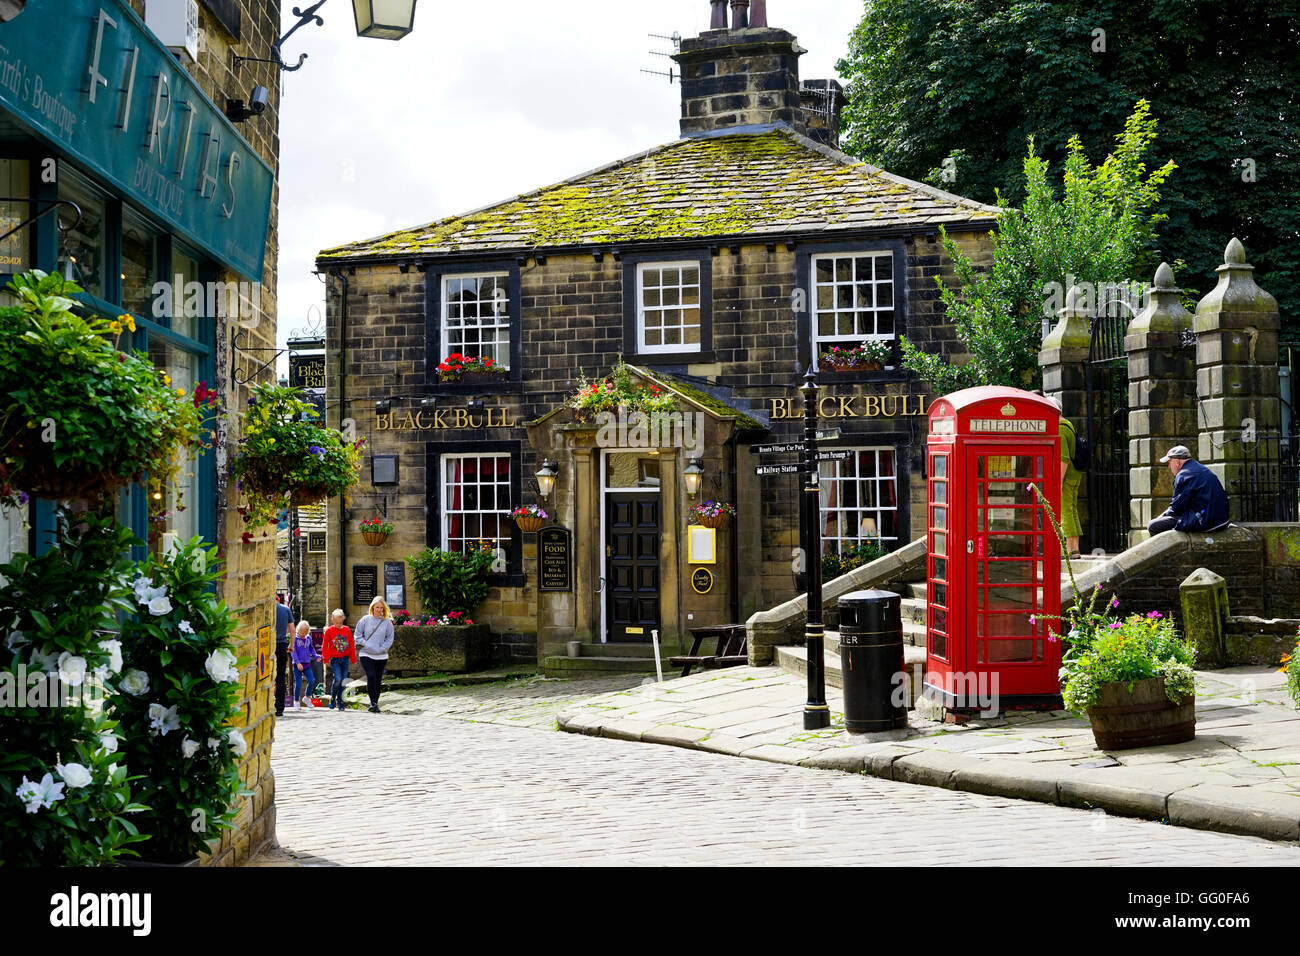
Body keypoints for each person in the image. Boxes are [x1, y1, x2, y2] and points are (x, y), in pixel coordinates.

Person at [1147, 445, 1230, 535]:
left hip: (1206, 522)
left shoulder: (1183, 476)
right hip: (1222, 520)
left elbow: (1176, 509)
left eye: (1169, 462)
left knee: (1153, 526)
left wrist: (1159, 518)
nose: (1169, 467)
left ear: (1177, 462)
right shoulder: (1202, 468)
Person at [354, 596, 395, 713]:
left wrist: (381, 649)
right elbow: (357, 635)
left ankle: (375, 703)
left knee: (378, 679)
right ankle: (372, 702)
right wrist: (367, 645)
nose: (379, 610)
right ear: (372, 607)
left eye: (381, 608)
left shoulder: (387, 622)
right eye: (377, 607)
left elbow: (390, 638)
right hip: (366, 654)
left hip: (381, 655)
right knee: (371, 676)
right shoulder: (365, 620)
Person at [322, 608, 356, 712]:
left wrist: (353, 659)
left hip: (345, 659)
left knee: (344, 681)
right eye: (336, 623)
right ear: (332, 620)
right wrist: (326, 659)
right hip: (335, 659)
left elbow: (351, 644)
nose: (338, 625)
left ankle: (340, 700)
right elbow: (325, 646)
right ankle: (333, 698)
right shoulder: (329, 631)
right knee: (338, 679)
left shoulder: (346, 630)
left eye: (340, 623)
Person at [290, 620, 320, 707]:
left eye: (304, 633)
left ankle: (307, 697)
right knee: (298, 683)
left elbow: (311, 649)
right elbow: (293, 652)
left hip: (307, 663)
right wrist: (298, 662)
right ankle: (296, 701)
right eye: (301, 633)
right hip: (297, 664)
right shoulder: (294, 639)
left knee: (311, 680)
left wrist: (315, 656)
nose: (302, 635)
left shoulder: (308, 638)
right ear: (298, 630)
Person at [274, 593, 293, 717]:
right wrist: (292, 644)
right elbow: (292, 629)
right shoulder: (285, 610)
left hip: (267, 645)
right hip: (281, 645)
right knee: (280, 677)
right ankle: (279, 708)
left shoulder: (267, 609)